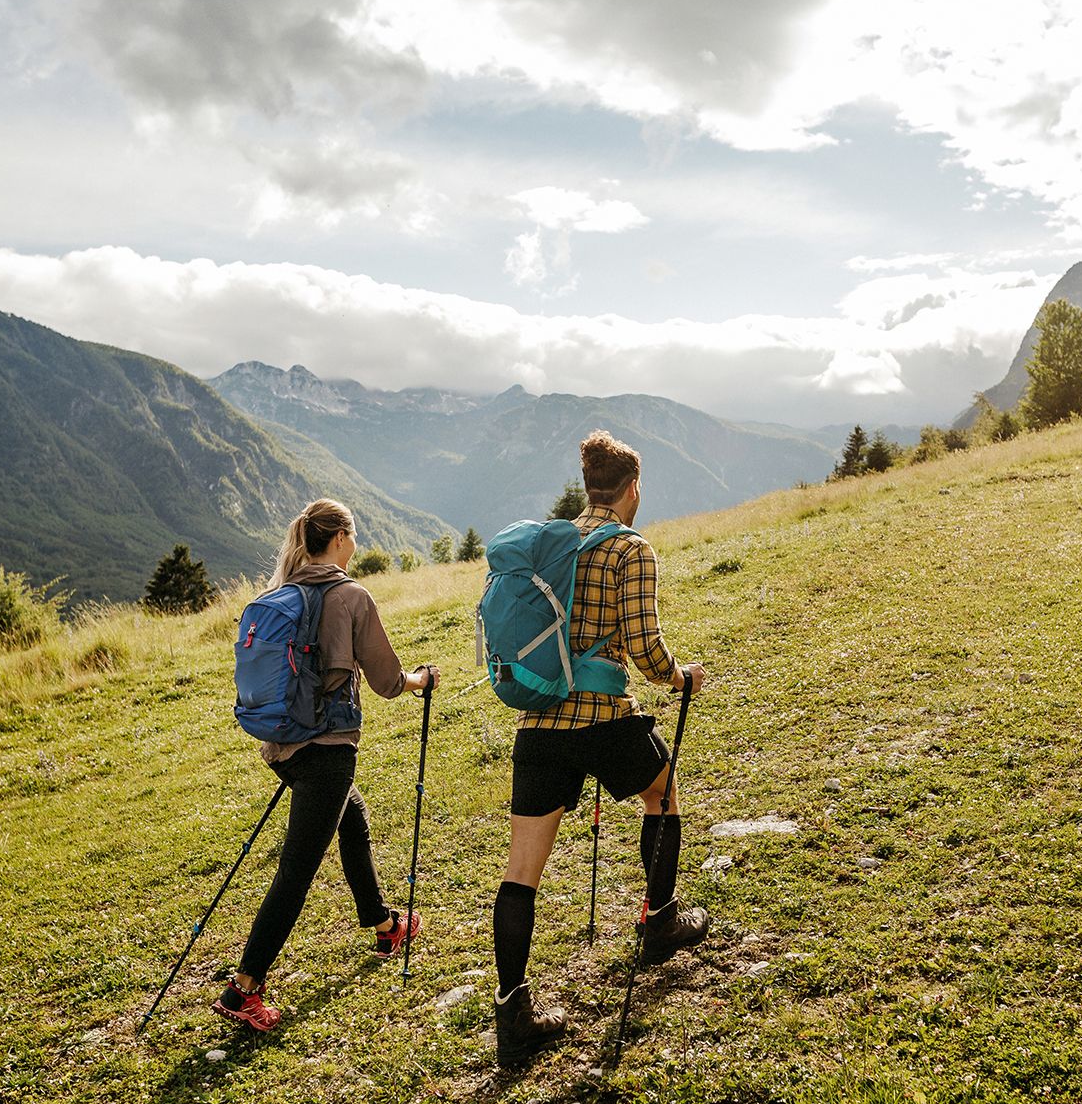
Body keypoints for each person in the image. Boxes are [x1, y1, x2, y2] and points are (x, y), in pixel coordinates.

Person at [493, 431, 710, 1067]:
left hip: (539, 727)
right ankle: (661, 919)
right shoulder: (629, 549)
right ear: (632, 488)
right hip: (605, 718)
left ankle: (513, 1015)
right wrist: (679, 677)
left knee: (521, 871)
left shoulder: (551, 545)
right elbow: (644, 647)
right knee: (663, 794)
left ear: (589, 486)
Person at [214, 498, 439, 1032]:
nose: (356, 546)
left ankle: (384, 925)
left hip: (281, 746)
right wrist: (421, 681)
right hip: (326, 749)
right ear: (338, 537)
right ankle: (243, 989)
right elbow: (387, 681)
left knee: (351, 818)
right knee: (297, 869)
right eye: (354, 536)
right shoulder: (349, 595)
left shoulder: (281, 592)